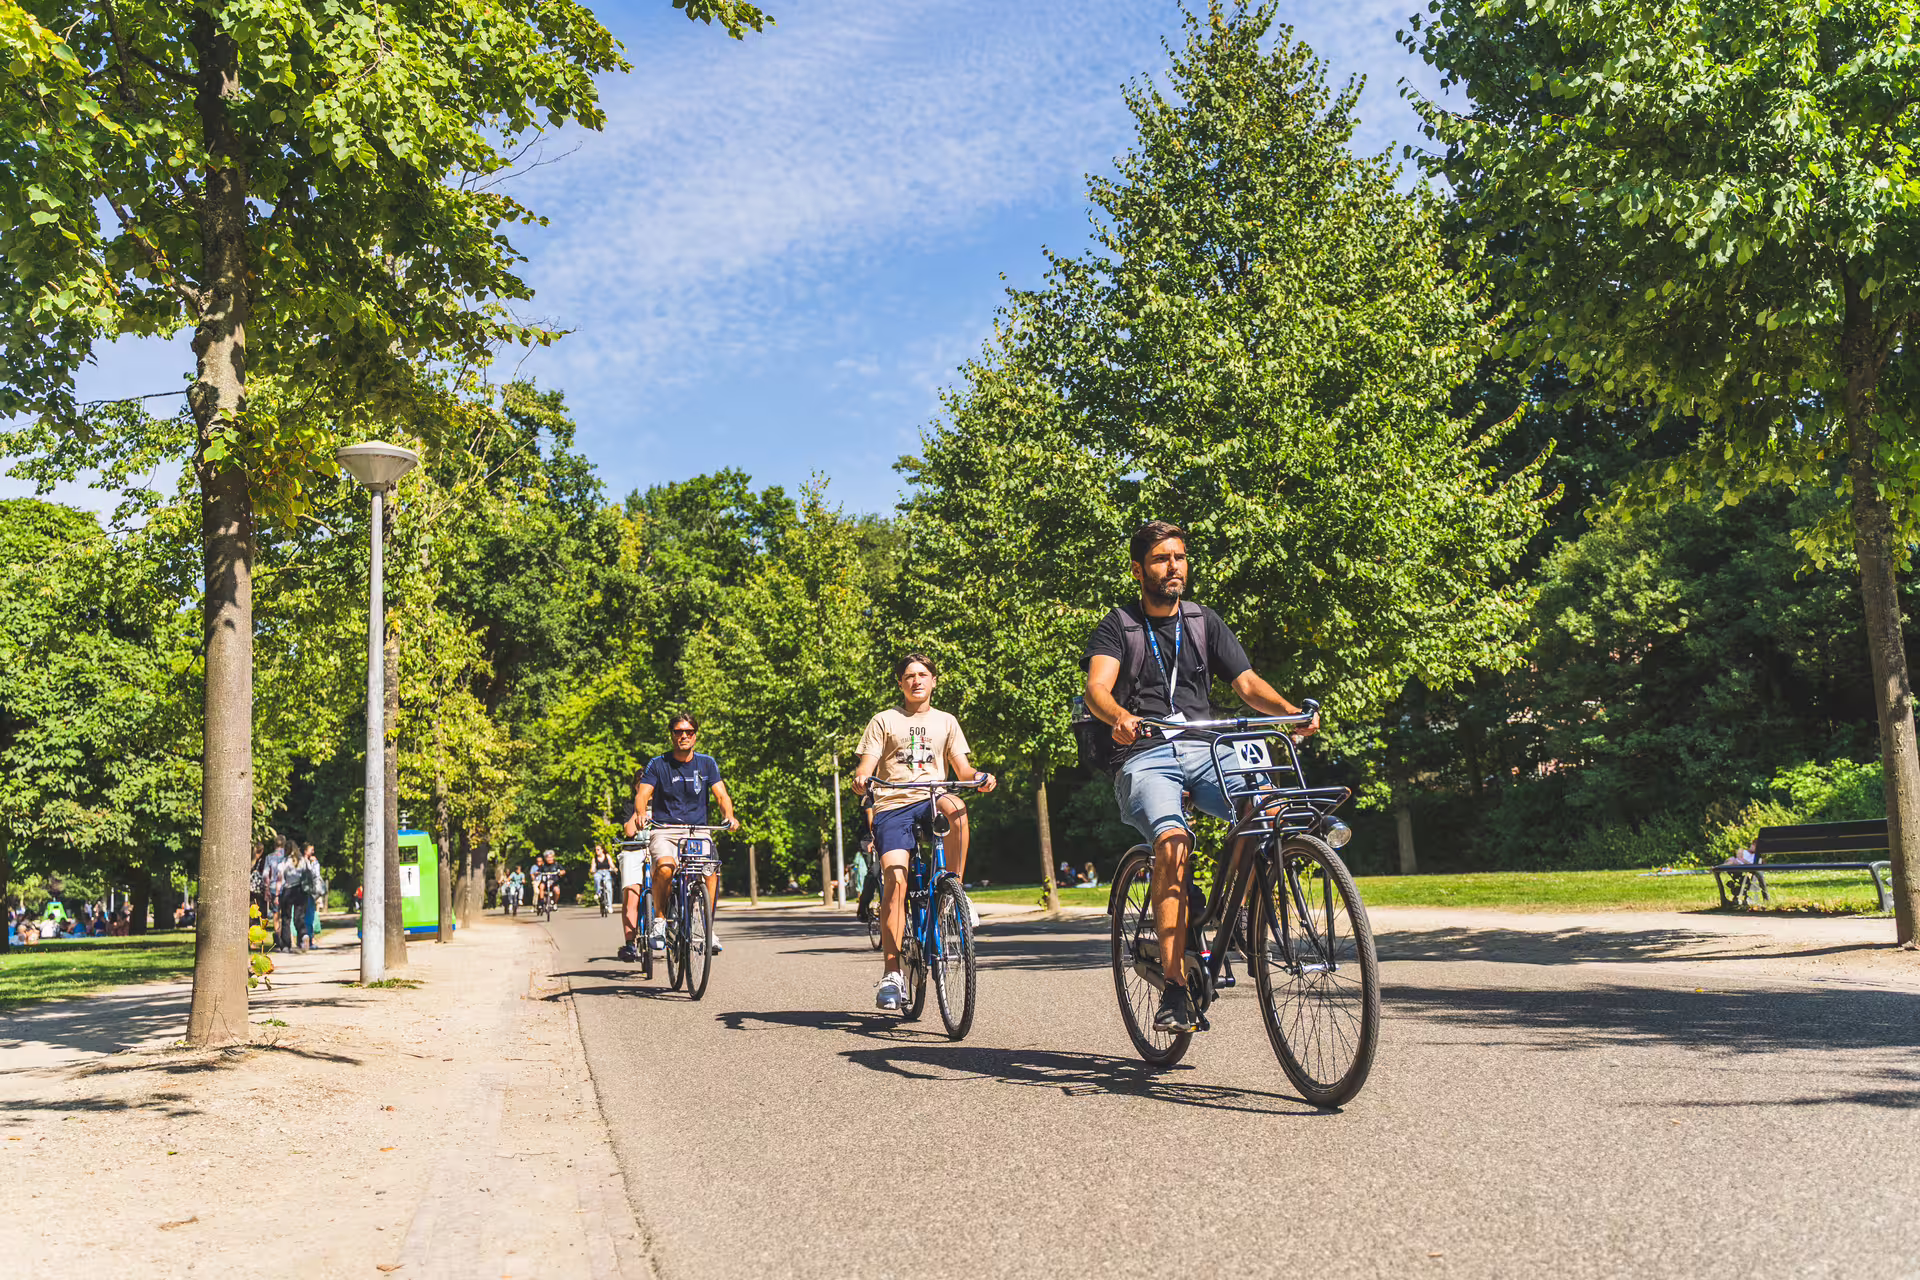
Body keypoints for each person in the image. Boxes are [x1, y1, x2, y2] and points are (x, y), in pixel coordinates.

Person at [1082, 520, 1318, 1035]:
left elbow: (1248, 684)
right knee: (1172, 843)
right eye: (1163, 558)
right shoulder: (1117, 626)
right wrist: (1118, 716)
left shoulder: (1204, 621)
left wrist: (1291, 712)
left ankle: (1238, 918)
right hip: (1144, 753)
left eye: (1181, 557)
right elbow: (1096, 688)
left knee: (1269, 807)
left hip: (1206, 745)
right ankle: (1173, 989)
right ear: (1138, 568)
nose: (1175, 567)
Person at [851, 652, 997, 1012]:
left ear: (933, 681)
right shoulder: (884, 720)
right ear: (900, 683)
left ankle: (956, 893)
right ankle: (892, 972)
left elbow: (962, 769)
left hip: (932, 796)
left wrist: (979, 778)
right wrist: (861, 777)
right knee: (896, 880)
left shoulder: (946, 721)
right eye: (909, 676)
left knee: (958, 807)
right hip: (893, 804)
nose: (916, 680)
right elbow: (867, 764)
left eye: (922, 674)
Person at [619, 714, 740, 961]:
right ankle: (660, 920)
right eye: (678, 731)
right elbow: (642, 794)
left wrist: (729, 816)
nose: (683, 735)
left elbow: (721, 795)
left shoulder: (707, 764)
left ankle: (708, 928)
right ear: (671, 734)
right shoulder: (658, 764)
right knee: (664, 867)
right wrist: (641, 813)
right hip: (665, 829)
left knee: (710, 871)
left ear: (696, 734)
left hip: (698, 831)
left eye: (688, 731)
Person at [590, 843, 615, 915]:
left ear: (602, 850)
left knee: (609, 888)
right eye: (596, 850)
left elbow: (611, 864)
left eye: (598, 850)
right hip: (599, 872)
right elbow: (593, 867)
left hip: (607, 872)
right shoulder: (594, 858)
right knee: (596, 878)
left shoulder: (607, 856)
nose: (597, 851)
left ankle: (610, 906)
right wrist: (592, 870)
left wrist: (614, 868)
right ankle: (598, 893)